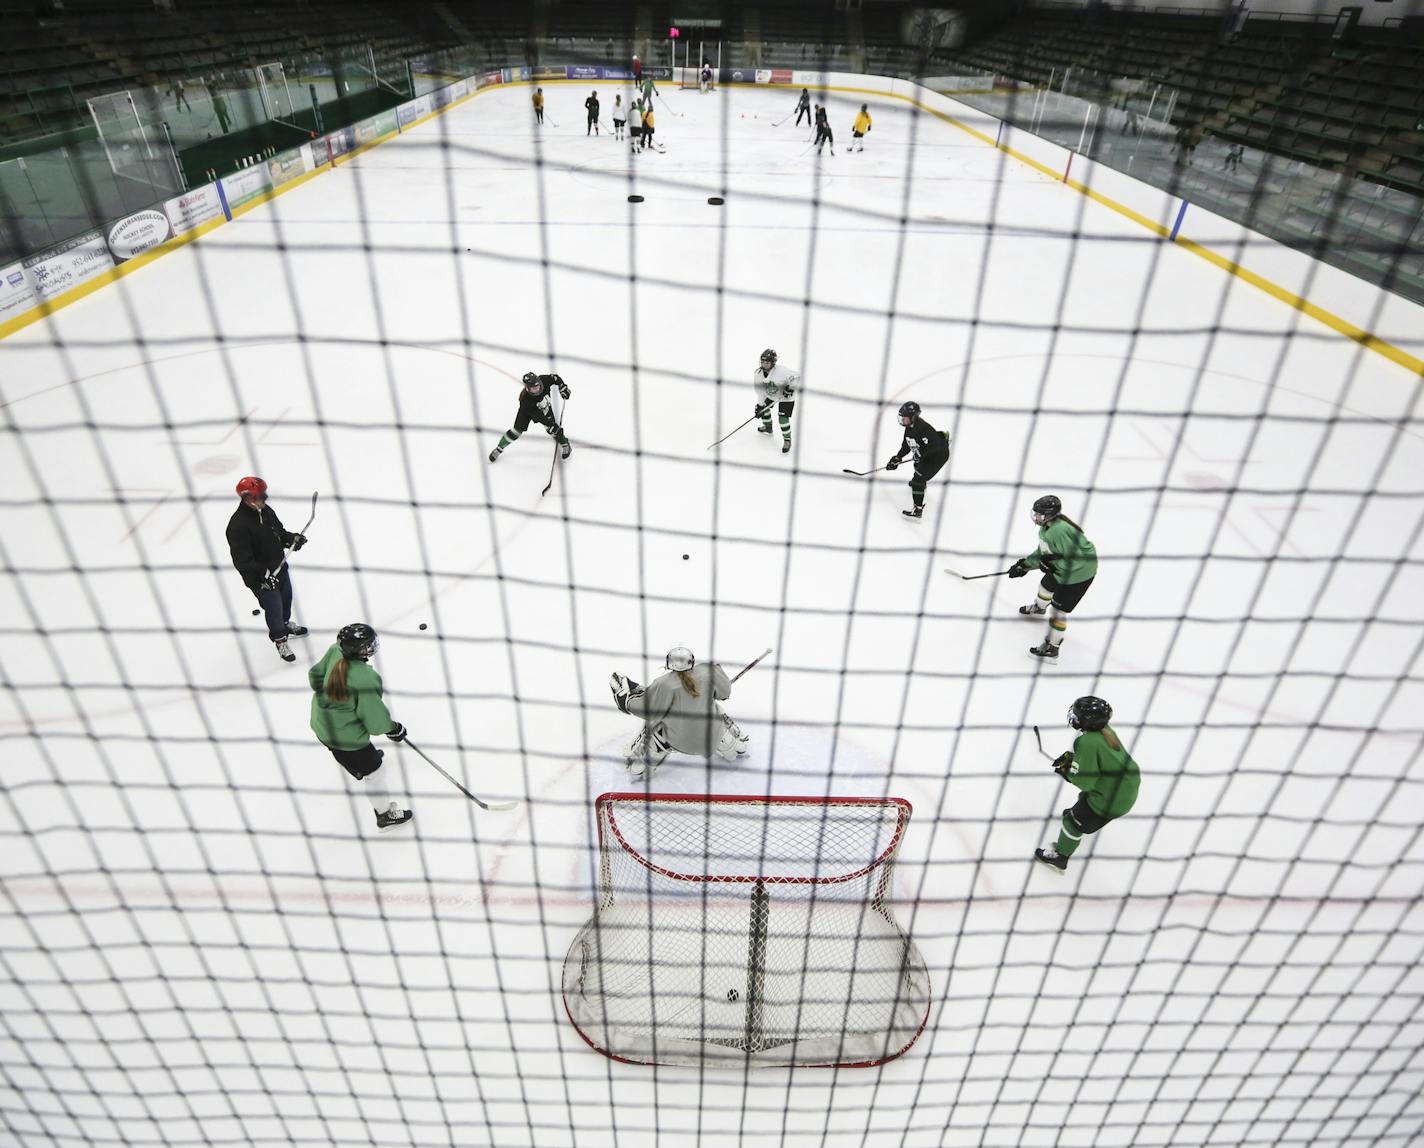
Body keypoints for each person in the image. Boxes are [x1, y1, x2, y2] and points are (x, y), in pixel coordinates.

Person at [309, 623, 414, 833]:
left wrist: (333, 701)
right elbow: (374, 720)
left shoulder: (334, 650)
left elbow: (315, 676)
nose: (372, 647)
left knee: (353, 756)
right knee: (376, 773)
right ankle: (384, 816)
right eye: (368, 644)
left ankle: (360, 766)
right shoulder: (364, 678)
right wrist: (393, 728)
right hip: (346, 739)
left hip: (322, 723)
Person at [609, 646, 750, 780]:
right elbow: (724, 694)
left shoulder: (663, 684)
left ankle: (655, 748)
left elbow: (648, 711)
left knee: (656, 723)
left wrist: (626, 700)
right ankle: (725, 739)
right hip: (711, 736)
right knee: (715, 709)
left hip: (677, 741)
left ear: (668, 663)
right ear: (692, 660)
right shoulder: (709, 671)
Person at [1035, 696, 1139, 873]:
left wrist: (1067, 770)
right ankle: (1081, 817)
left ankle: (1061, 856)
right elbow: (1101, 760)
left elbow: (1085, 781)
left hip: (1112, 799)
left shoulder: (1087, 742)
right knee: (1083, 800)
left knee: (1071, 823)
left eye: (1077, 715)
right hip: (1125, 786)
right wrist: (1075, 760)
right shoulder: (1105, 730)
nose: (1073, 717)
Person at [225, 476, 308, 663]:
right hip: (260, 577)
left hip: (279, 566)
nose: (265, 498)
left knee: (286, 598)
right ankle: (279, 639)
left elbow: (279, 532)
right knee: (274, 607)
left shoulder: (266, 511)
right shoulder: (237, 526)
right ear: (248, 498)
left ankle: (285, 625)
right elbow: (242, 560)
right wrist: (262, 575)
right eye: (261, 495)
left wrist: (291, 539)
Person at [1008, 494, 1098, 660]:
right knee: (1045, 587)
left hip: (1079, 575)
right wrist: (1024, 566)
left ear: (1049, 514)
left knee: (1058, 611)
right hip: (1062, 570)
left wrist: (1051, 566)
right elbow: (1044, 552)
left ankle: (1052, 648)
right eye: (1035, 514)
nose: (1036, 518)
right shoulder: (1046, 528)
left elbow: (1076, 559)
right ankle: (1040, 608)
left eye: (1039, 515)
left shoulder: (1059, 531)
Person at [885, 401, 950, 521]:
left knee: (918, 480)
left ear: (913, 417)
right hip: (928, 455)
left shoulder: (924, 428)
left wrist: (921, 455)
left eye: (905, 418)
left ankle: (918, 509)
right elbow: (906, 445)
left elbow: (934, 446)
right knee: (918, 469)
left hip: (938, 456)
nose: (902, 421)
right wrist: (897, 458)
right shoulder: (909, 428)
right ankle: (920, 486)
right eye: (902, 418)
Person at [489, 371, 572, 462]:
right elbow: (539, 417)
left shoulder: (544, 379)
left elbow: (555, 378)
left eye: (538, 386)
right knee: (516, 431)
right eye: (533, 388)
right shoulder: (526, 401)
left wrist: (562, 387)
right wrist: (552, 425)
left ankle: (565, 443)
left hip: (544, 407)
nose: (537, 389)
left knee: (552, 430)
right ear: (528, 389)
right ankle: (499, 448)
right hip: (528, 412)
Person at [752, 348, 798, 454]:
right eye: (762, 362)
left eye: (767, 362)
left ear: (773, 362)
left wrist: (790, 387)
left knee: (783, 419)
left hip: (786, 397)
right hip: (772, 394)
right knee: (763, 410)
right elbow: (760, 392)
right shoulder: (758, 374)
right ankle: (768, 428)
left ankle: (787, 440)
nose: (764, 364)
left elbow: (796, 376)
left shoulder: (782, 371)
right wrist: (760, 406)